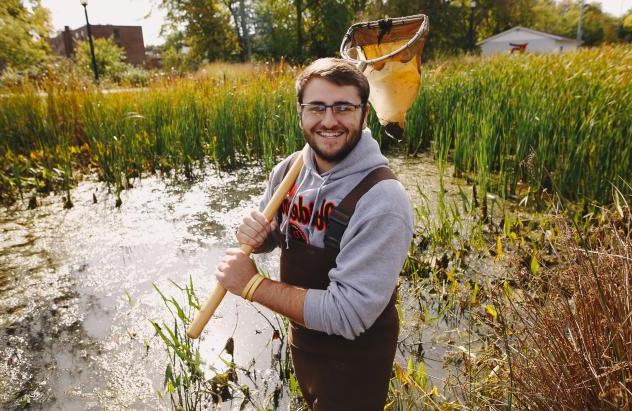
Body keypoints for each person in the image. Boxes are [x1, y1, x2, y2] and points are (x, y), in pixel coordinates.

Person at [216, 57, 413, 410]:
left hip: (357, 359)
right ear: (300, 112)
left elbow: (348, 314)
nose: (329, 121)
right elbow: (274, 237)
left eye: (343, 108)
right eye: (317, 107)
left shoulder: (383, 200)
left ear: (364, 113)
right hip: (305, 345)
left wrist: (252, 285)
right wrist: (259, 237)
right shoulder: (288, 170)